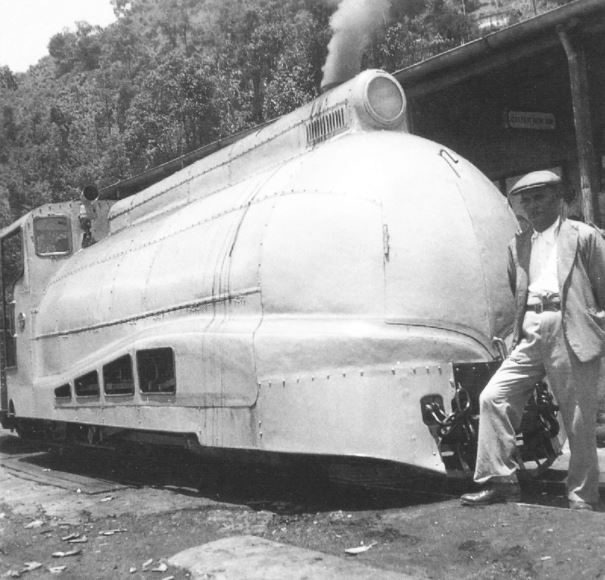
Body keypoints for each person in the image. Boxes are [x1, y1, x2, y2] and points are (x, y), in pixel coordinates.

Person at [461, 170, 605, 510]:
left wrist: (596, 326)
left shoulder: (584, 236)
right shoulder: (518, 245)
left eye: (540, 197)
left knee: (578, 419)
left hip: (570, 328)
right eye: (526, 200)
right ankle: (501, 482)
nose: (532, 205)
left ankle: (581, 496)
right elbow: (519, 290)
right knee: (494, 397)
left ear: (559, 198)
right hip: (531, 330)